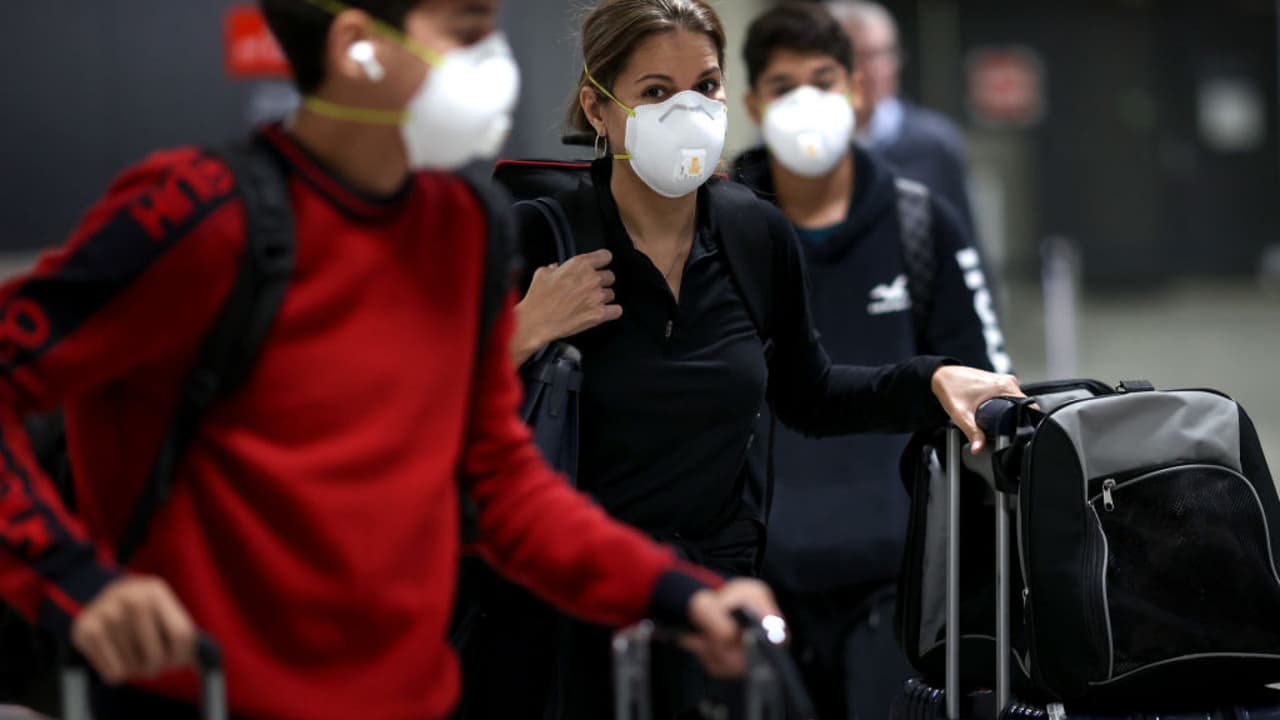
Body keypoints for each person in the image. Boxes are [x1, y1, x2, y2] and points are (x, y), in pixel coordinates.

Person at [0, 0, 784, 718]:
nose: (497, 59)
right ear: (357, 47)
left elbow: (502, 484)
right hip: (207, 693)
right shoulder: (202, 214)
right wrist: (73, 579)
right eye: (468, 31)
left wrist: (678, 596)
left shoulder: (462, 227)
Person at [481, 0, 1023, 717]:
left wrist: (931, 379)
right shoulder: (539, 237)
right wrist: (520, 332)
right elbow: (440, 417)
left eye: (704, 86)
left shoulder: (752, 232)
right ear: (597, 107)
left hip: (717, 610)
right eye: (656, 91)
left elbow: (811, 393)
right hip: (571, 615)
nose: (688, 110)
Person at [733, 4, 1011, 718]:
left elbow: (984, 383)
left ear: (856, 89)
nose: (805, 102)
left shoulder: (921, 221)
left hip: (901, 582)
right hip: (758, 584)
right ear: (754, 103)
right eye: (784, 86)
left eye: (822, 81)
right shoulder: (718, 228)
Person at [827, 0, 979, 238]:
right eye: (858, 56)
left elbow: (964, 238)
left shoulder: (935, 143)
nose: (874, 69)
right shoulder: (805, 142)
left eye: (884, 54)